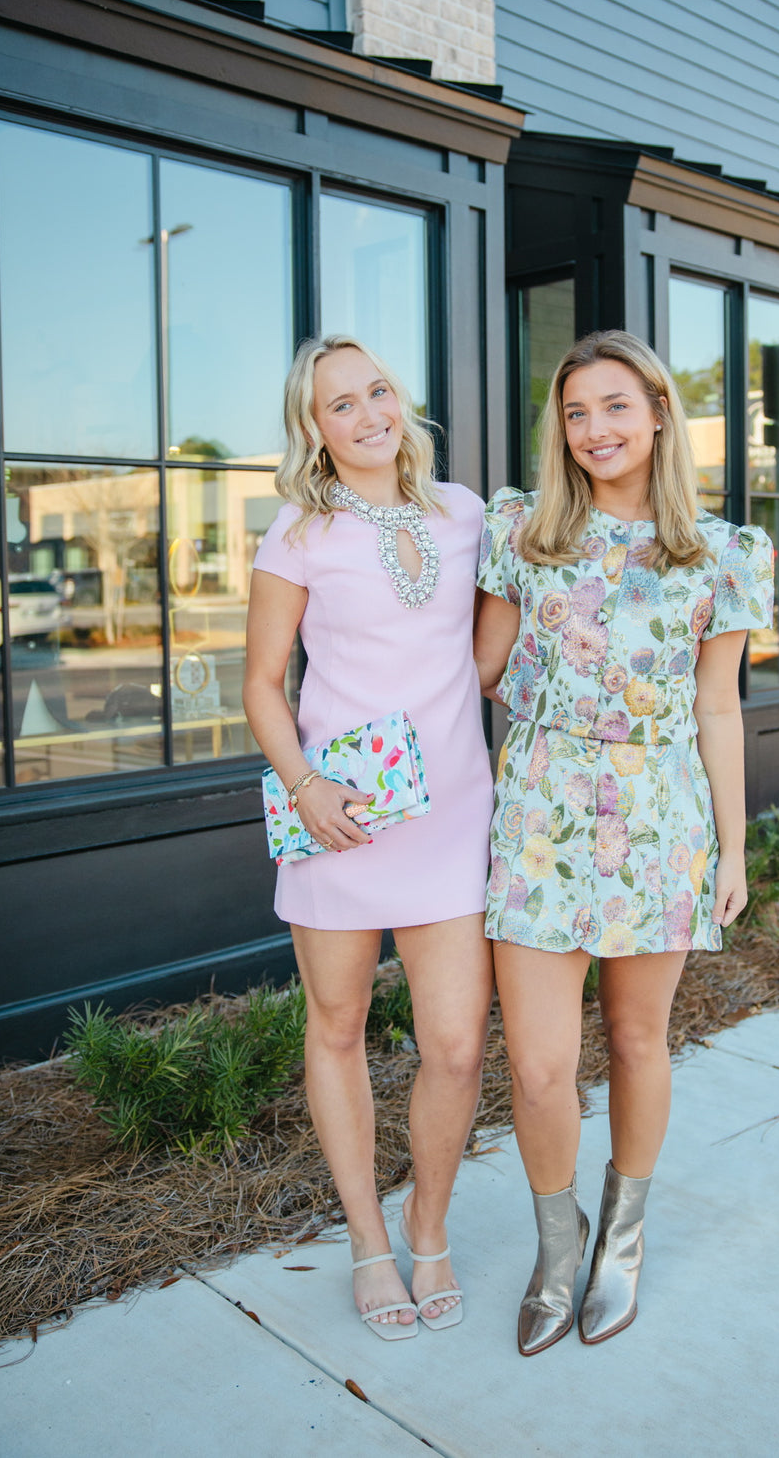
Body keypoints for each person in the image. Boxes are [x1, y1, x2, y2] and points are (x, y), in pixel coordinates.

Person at [473, 329, 774, 1355]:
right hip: (539, 819)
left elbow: (719, 709)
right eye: (574, 412)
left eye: (613, 406)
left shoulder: (723, 552)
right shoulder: (521, 532)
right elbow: (470, 671)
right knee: (541, 1065)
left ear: (656, 413)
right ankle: (559, 1250)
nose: (594, 429)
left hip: (659, 822)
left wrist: (731, 851)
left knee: (642, 1040)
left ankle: (625, 1244)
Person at [243, 334, 494, 1341]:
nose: (366, 414)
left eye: (376, 390)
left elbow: (481, 661)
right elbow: (263, 683)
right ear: (314, 429)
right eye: (338, 404)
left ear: (402, 400)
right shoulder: (299, 532)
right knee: (338, 1030)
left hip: (447, 816)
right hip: (337, 821)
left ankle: (427, 1227)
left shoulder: (467, 514)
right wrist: (302, 784)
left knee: (457, 1043)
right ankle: (367, 1242)